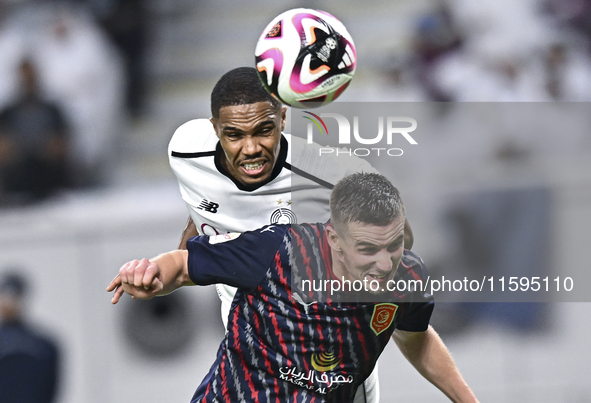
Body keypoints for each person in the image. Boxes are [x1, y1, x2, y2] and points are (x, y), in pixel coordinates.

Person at [107, 173, 478, 402]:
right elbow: (184, 264)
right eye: (367, 249)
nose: (384, 263)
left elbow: (416, 338)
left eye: (394, 245)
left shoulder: (407, 280)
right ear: (333, 239)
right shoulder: (276, 251)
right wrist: (151, 273)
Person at [168, 66, 414, 402]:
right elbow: (201, 208)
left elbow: (401, 239)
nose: (251, 148)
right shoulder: (185, 151)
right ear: (215, 130)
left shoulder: (334, 175)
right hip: (246, 361)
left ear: (283, 119)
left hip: (321, 370)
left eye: (264, 130)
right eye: (235, 135)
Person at [0, 59, 70, 204]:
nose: (27, 81)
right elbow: (4, 148)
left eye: (30, 78)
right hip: (17, 184)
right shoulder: (8, 113)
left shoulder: (52, 110)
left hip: (49, 181)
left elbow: (61, 144)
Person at [0, 271, 60, 403]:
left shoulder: (43, 346)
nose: (8, 302)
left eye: (13, 296)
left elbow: (49, 389)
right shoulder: (43, 345)